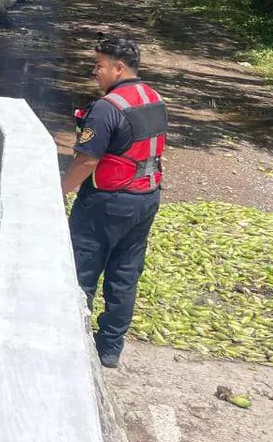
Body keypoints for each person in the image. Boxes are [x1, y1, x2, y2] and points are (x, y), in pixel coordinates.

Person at [61, 36, 166, 368]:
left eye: (100, 65)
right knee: (125, 273)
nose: (95, 71)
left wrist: (58, 191)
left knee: (82, 270)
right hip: (146, 199)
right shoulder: (154, 98)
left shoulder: (107, 109)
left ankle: (72, 340)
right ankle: (109, 348)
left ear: (119, 68)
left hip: (106, 204)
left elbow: (87, 161)